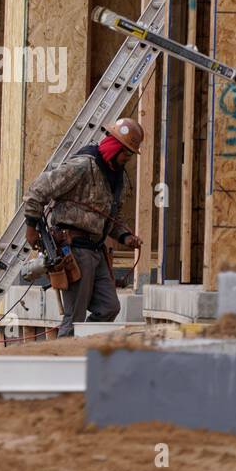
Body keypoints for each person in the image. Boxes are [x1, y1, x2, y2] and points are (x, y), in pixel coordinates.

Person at [22, 118, 143, 337]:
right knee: (74, 316)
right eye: (127, 153)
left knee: (109, 308)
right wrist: (31, 227)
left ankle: (81, 346)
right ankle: (63, 362)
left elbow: (112, 218)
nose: (128, 158)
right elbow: (38, 191)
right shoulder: (82, 166)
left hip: (96, 251)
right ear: (115, 147)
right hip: (74, 250)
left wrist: (125, 236)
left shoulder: (117, 179)